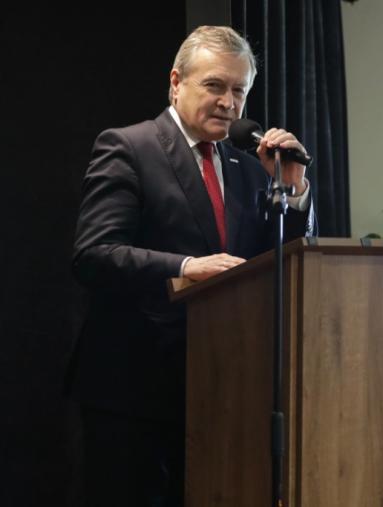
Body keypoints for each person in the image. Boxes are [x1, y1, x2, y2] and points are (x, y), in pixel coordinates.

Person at [68, 25, 315, 506]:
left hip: (223, 387)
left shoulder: (250, 169)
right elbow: (94, 254)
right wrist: (185, 266)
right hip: (133, 391)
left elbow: (283, 266)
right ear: (176, 82)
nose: (229, 102)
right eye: (215, 85)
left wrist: (293, 190)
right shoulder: (129, 148)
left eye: (239, 90)